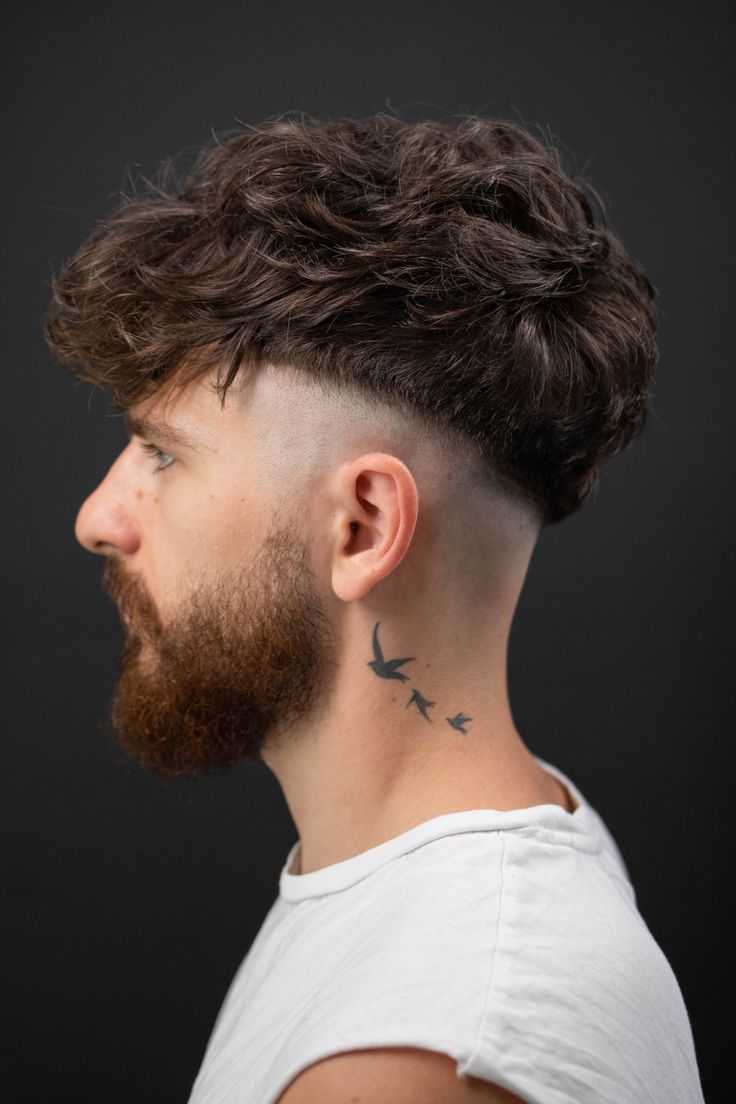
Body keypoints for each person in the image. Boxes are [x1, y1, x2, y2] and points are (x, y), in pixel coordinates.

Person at [44, 115, 704, 1103]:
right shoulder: (455, 880)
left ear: (361, 527)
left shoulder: (415, 1060)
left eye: (164, 454)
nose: (99, 519)